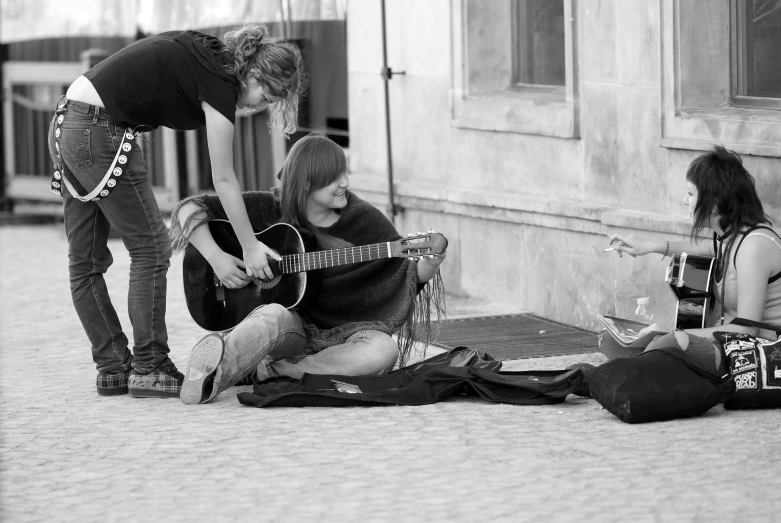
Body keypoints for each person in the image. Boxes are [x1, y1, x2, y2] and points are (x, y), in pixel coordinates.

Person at [46, 25, 306, 398]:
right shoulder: (221, 83)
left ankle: (114, 368)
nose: (257, 106)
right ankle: (149, 367)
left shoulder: (208, 54)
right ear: (252, 74)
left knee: (84, 262)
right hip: (100, 130)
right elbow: (225, 178)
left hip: (67, 122)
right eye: (265, 95)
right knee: (151, 249)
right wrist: (249, 246)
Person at [169, 134, 448, 405]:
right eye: (334, 178)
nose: (345, 183)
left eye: (345, 173)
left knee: (383, 351)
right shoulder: (270, 208)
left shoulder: (362, 220)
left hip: (347, 335)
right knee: (272, 314)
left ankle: (269, 370)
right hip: (292, 330)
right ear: (305, 184)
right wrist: (218, 258)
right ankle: (213, 375)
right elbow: (188, 209)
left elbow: (402, 274)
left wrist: (431, 262)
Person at [604, 145, 781, 374]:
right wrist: (651, 246)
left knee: (663, 346)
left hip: (763, 354)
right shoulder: (727, 238)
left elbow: (746, 331)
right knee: (612, 342)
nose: (684, 200)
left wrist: (676, 336)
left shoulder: (754, 246)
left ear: (715, 203)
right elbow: (708, 247)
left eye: (690, 193)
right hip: (730, 345)